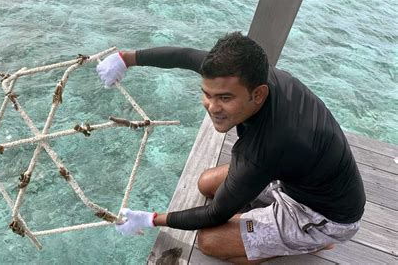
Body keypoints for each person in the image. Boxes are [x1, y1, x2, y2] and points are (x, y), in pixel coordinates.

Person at [96, 32, 366, 264]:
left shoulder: (267, 147)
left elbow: (216, 214)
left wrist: (150, 219)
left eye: (225, 98)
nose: (213, 108)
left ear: (257, 94)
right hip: (299, 177)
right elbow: (184, 55)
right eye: (207, 94)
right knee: (205, 183)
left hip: (324, 216)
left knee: (210, 241)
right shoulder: (247, 72)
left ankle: (312, 242)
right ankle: (266, 225)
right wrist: (125, 58)